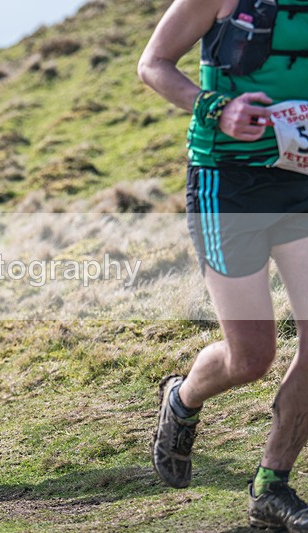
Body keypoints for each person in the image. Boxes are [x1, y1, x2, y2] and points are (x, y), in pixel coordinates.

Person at [139, 0, 308, 528]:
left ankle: (271, 485)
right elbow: (154, 63)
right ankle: (182, 398)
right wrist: (215, 107)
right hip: (227, 185)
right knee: (252, 356)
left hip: (300, 180)